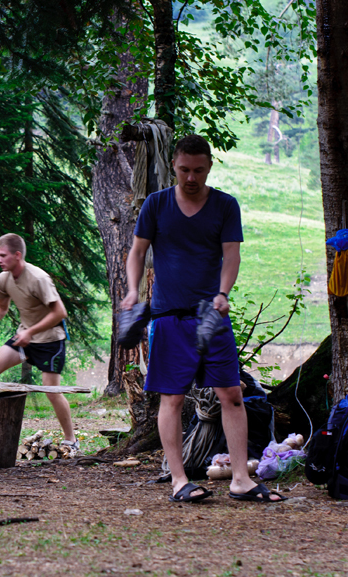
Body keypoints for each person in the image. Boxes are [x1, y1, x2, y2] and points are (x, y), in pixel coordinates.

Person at [121, 134, 283, 503]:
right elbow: (137, 252)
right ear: (174, 166)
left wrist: (223, 293)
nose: (190, 177)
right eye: (183, 170)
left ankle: (241, 478)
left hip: (212, 316)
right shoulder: (156, 204)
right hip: (168, 317)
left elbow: (231, 256)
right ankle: (179, 481)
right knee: (173, 399)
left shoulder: (225, 206)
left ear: (209, 166)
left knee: (232, 395)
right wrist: (133, 291)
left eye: (197, 170)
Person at [0, 233, 77, 450]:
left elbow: (59, 312)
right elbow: (0, 308)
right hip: (24, 336)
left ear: (17, 255)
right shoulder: (4, 278)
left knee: (51, 390)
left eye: (3, 255)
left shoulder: (38, 278)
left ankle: (71, 439)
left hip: (50, 340)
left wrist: (32, 332)